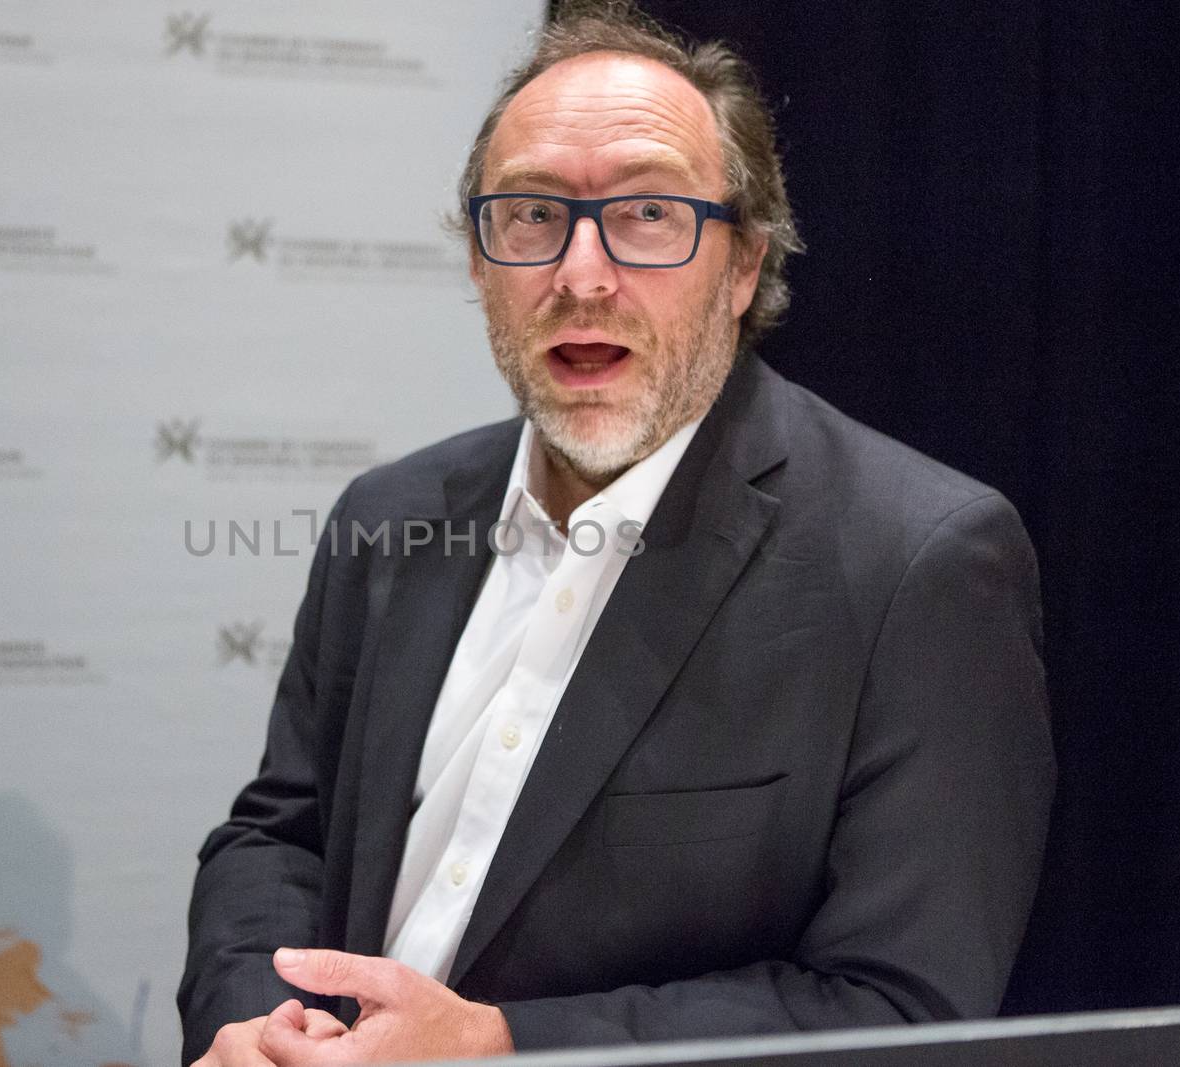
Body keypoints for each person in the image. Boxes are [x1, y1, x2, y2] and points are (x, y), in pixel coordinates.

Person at [178, 5, 1055, 1065]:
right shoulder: (387, 517)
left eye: (647, 213)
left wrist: (501, 1047)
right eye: (532, 216)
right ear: (478, 260)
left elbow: (903, 1007)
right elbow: (279, 836)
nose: (581, 274)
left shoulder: (918, 562)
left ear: (743, 267)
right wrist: (250, 1019)